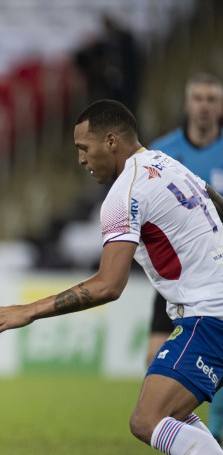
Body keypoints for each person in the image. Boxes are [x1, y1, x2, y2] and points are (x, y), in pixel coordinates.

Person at [0, 99, 223, 454]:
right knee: (170, 412)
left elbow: (108, 286)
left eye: (84, 148)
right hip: (210, 309)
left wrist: (29, 310)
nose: (81, 159)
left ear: (111, 141)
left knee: (147, 420)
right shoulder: (168, 164)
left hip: (210, 315)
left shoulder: (124, 193)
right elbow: (214, 201)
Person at [146, 72, 223, 441]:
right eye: (198, 98)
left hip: (217, 279)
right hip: (175, 277)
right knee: (154, 359)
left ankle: (212, 437)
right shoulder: (162, 153)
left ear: (220, 106)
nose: (204, 106)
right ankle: (193, 440)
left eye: (211, 99)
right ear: (186, 103)